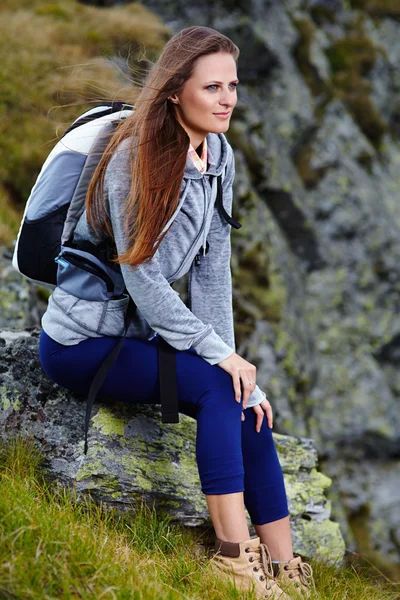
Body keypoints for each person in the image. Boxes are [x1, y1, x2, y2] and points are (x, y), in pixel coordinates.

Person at [38, 26, 315, 598]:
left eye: (232, 86)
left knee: (243, 400)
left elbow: (214, 270)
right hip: (83, 341)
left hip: (140, 336)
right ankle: (235, 563)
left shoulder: (220, 155)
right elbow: (141, 278)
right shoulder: (133, 159)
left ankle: (287, 571)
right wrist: (218, 359)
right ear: (173, 91)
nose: (227, 99)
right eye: (211, 87)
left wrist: (236, 361)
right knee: (218, 389)